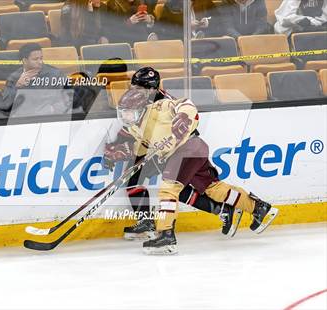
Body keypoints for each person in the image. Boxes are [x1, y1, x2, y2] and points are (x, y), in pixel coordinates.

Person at [104, 86, 279, 255]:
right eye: (123, 112)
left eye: (129, 112)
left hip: (189, 148)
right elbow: (144, 148)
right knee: (213, 189)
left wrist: (183, 116)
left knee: (169, 188)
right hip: (182, 154)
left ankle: (165, 235)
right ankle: (258, 207)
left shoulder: (160, 107)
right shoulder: (134, 127)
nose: (125, 116)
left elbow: (186, 104)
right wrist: (122, 152)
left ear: (141, 109)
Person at [104, 67, 244, 241]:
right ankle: (146, 221)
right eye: (134, 87)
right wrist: (115, 147)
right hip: (152, 148)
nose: (136, 91)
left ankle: (222, 210)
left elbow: (182, 123)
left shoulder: (164, 101)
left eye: (141, 88)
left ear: (153, 89)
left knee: (178, 190)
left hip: (175, 149)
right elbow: (130, 128)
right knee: (134, 181)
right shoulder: (135, 100)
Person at [2, 43, 67, 114]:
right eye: (35, 59)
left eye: (41, 58)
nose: (40, 62)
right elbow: (6, 104)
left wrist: (52, 109)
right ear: (25, 60)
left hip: (50, 117)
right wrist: (18, 86)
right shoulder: (14, 78)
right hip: (24, 118)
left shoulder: (55, 74)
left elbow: (66, 98)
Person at [155, 0, 221, 40]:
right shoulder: (171, 4)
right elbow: (162, 31)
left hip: (206, 43)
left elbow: (220, 20)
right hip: (183, 47)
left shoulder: (204, 1)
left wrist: (207, 22)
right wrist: (185, 26)